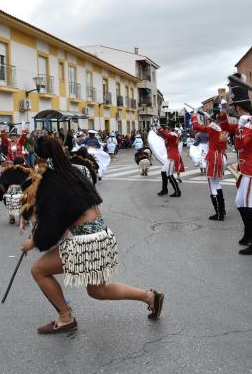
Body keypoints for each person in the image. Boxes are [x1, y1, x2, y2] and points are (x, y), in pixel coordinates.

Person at [19, 135, 164, 334]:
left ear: (38, 158)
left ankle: (65, 317)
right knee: (97, 290)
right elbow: (70, 212)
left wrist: (33, 241)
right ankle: (150, 296)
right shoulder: (74, 171)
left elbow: (53, 223)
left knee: (38, 270)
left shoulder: (51, 180)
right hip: (102, 235)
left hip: (87, 242)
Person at [218, 73, 252, 255]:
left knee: (249, 205)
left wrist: (241, 128)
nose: (234, 110)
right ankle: (248, 236)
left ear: (239, 106)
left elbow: (241, 143)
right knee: (240, 202)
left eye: (233, 107)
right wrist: (222, 112)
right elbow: (225, 127)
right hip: (246, 170)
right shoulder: (243, 122)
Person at [191, 110, 228, 221]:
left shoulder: (213, 127)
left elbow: (196, 127)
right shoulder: (223, 128)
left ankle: (219, 213)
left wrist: (193, 116)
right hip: (221, 156)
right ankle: (222, 210)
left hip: (214, 158)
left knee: (212, 186)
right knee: (217, 184)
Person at [157, 122, 183, 197]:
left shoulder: (173, 134)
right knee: (163, 172)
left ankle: (177, 191)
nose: (166, 129)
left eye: (167, 128)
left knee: (169, 175)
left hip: (172, 157)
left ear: (169, 128)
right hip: (170, 156)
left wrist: (160, 129)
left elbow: (166, 135)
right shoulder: (171, 135)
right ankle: (164, 190)